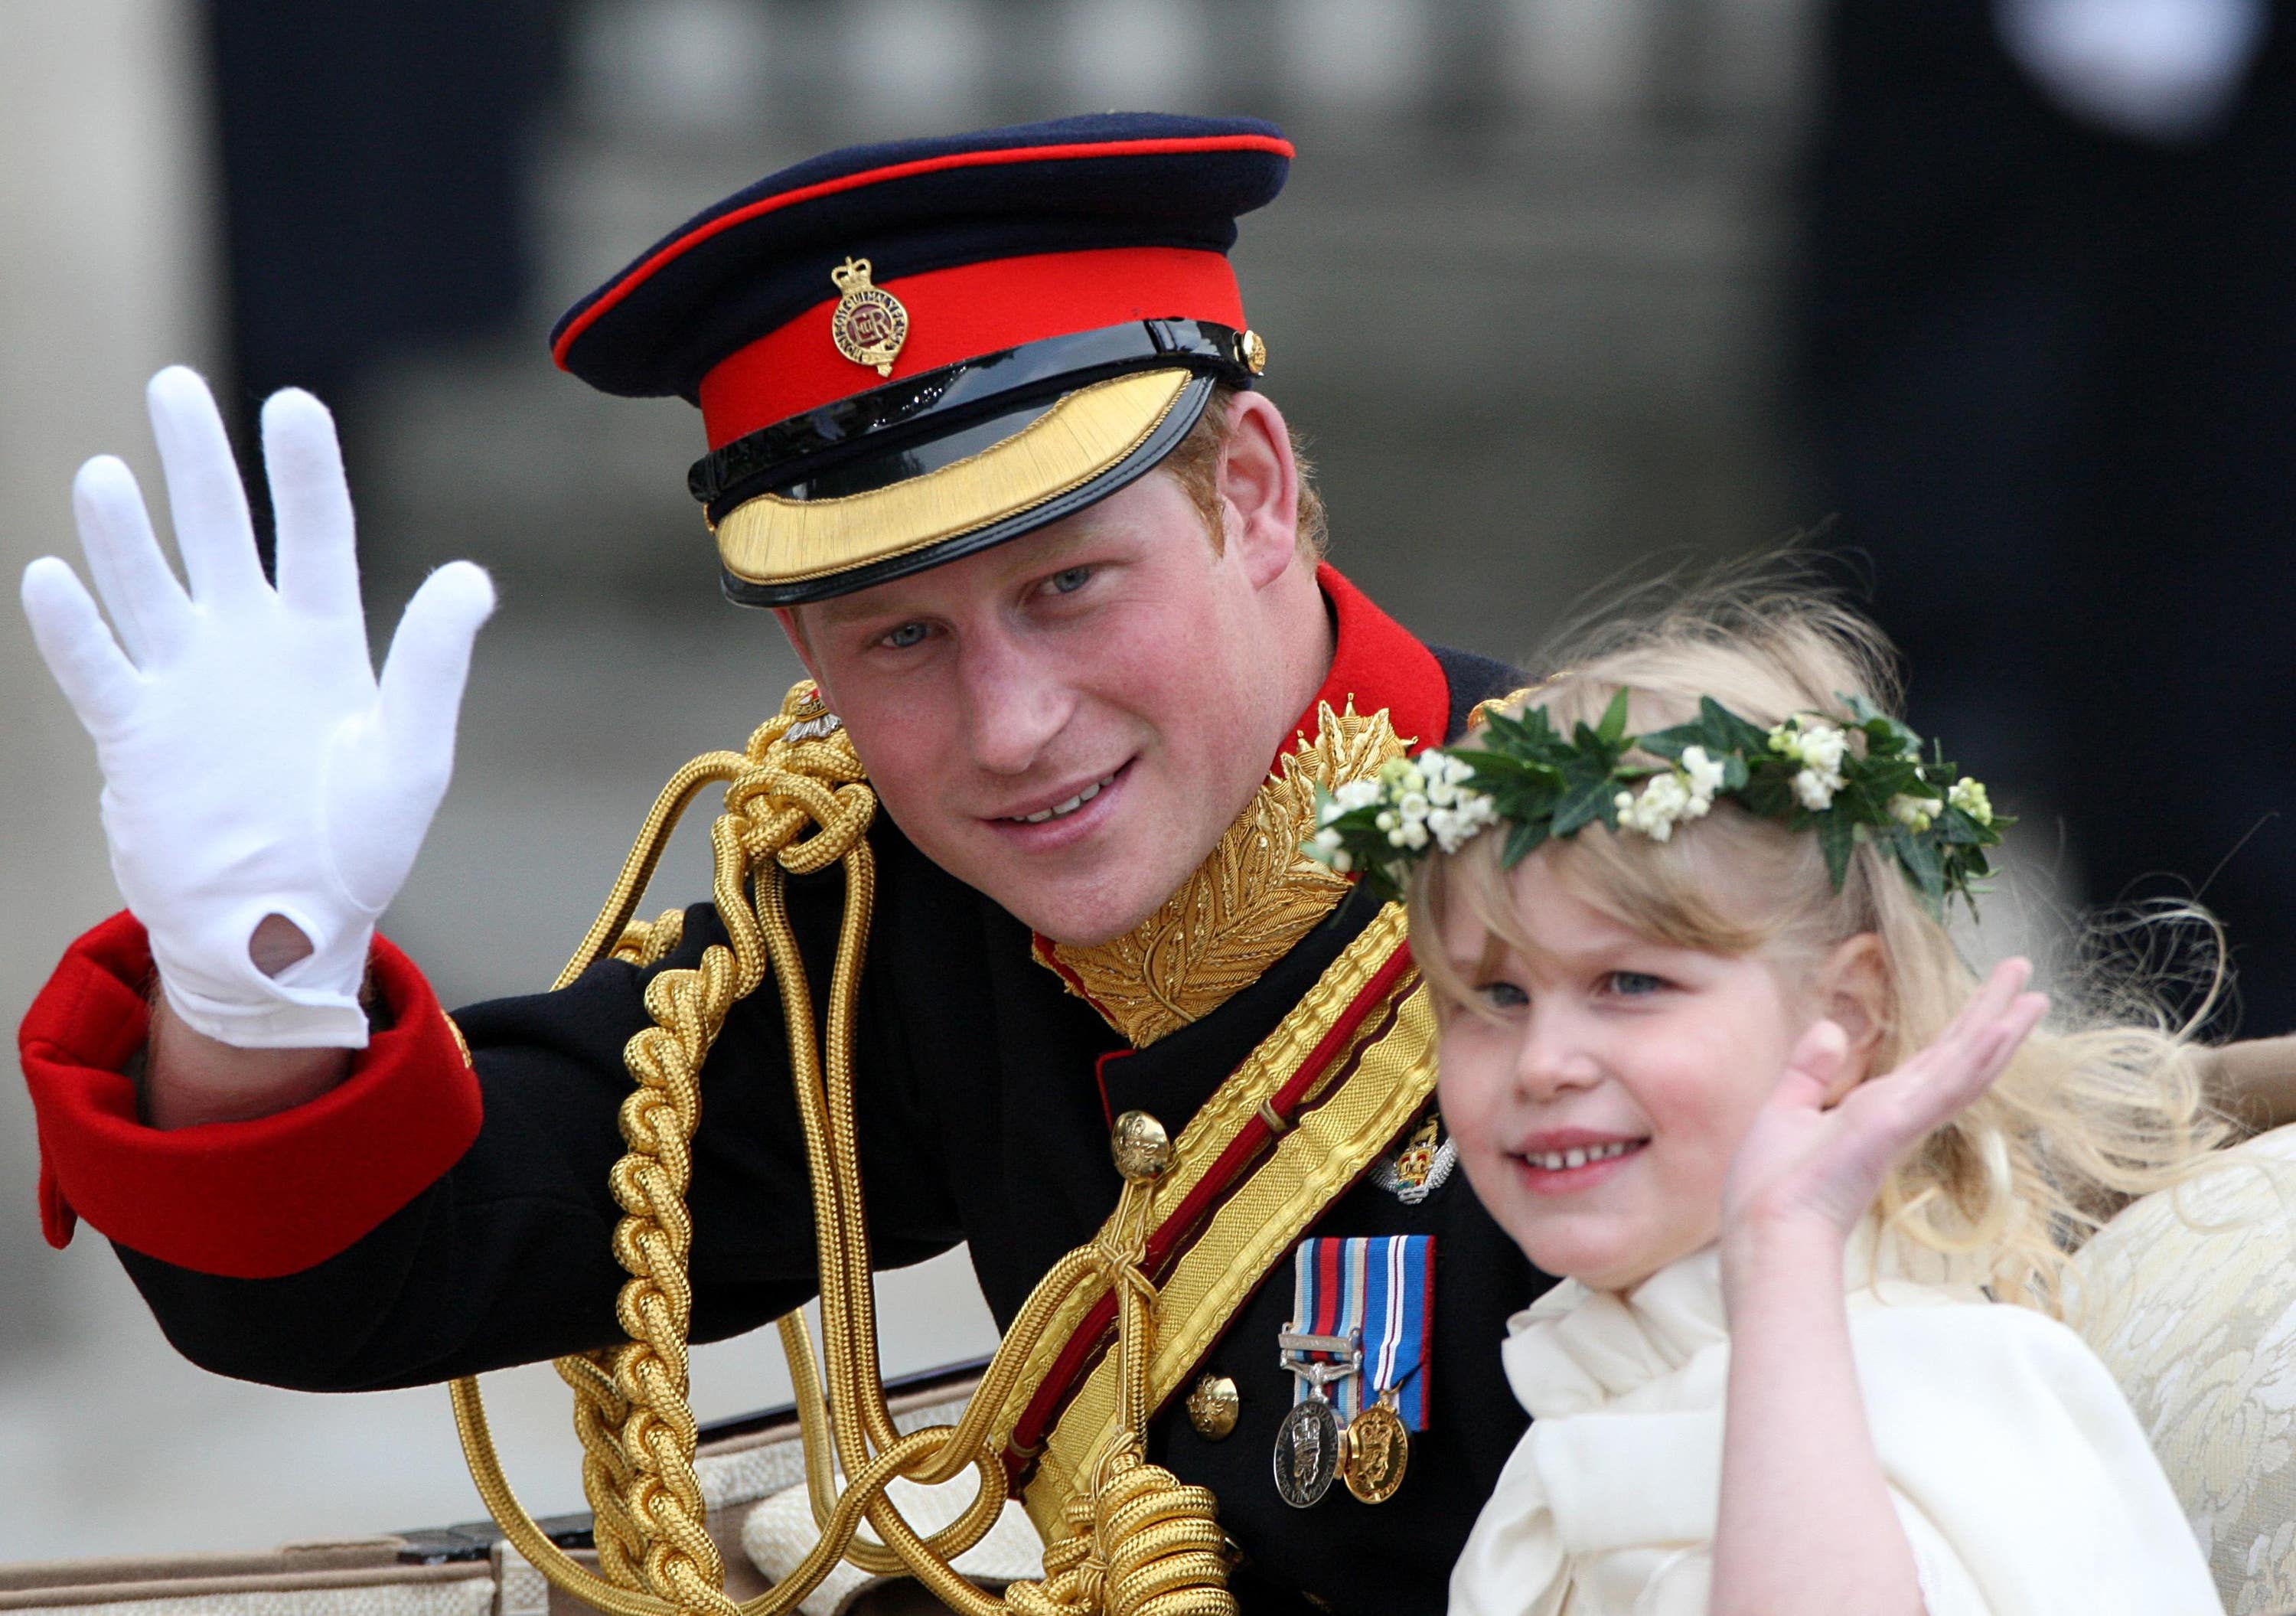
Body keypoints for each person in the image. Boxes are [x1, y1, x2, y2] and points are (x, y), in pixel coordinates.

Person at [14, 115, 1538, 1616]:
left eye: (1069, 586)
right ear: (803, 650)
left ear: (1256, 493)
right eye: (902, 638)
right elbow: (394, 1265)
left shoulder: (1625, 902)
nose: (1009, 728)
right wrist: (257, 976)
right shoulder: (901, 916)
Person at [1307, 580, 2226, 1613]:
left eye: (1631, 984)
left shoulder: (1941, 1394)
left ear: (1847, 1016)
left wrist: (1785, 1247)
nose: (1543, 1061)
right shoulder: (1589, 1396)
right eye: (1495, 997)